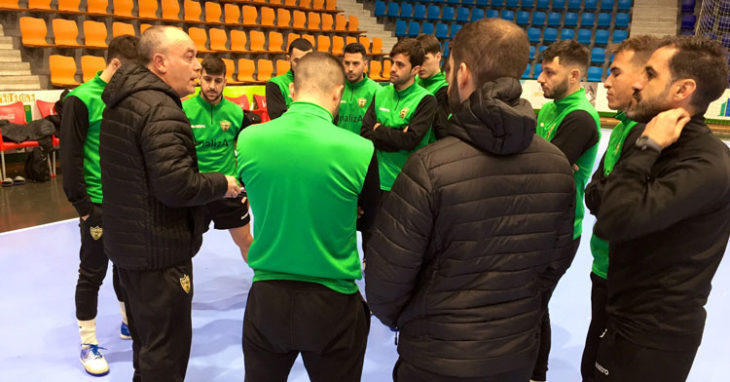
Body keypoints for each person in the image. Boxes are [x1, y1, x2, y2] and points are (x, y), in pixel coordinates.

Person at [364, 19, 576, 382]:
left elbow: (384, 285)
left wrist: (418, 322)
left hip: (436, 357)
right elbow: (554, 263)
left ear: (461, 74)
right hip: (514, 353)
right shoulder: (557, 164)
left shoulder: (429, 168)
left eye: (448, 71)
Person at [98, 26, 241, 382]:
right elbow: (176, 186)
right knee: (165, 353)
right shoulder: (160, 109)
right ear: (160, 62)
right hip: (158, 252)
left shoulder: (124, 101)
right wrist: (222, 183)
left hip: (130, 247)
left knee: (146, 345)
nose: (196, 68)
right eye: (189, 56)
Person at [591, 36, 730, 382]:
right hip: (622, 314)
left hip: (654, 337)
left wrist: (646, 147)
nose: (637, 82)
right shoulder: (651, 137)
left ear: (683, 89)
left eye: (650, 74)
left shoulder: (706, 164)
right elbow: (600, 197)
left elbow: (613, 220)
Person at [237, 52, 380, 382]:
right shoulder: (361, 149)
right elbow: (368, 218)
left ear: (291, 91)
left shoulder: (249, 139)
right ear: (338, 94)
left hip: (266, 299)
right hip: (332, 304)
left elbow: (255, 192)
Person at [581, 35, 660, 382]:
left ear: (644, 78)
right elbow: (593, 193)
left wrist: (603, 194)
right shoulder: (622, 127)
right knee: (592, 362)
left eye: (615, 72)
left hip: (626, 277)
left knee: (602, 368)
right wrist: (602, 194)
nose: (606, 82)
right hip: (605, 265)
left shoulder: (645, 133)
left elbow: (615, 206)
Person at [60, 35, 138, 377]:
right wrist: (82, 205)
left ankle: (127, 322)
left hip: (127, 203)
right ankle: (88, 343)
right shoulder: (81, 100)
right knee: (93, 272)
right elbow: (70, 157)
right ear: (117, 65)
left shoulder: (124, 98)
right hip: (97, 204)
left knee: (127, 268)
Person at [532, 39, 602, 382]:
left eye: (548, 72)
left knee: (533, 303)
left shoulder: (581, 118)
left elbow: (539, 170)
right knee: (525, 302)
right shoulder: (549, 110)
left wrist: (537, 161)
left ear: (574, 75)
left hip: (559, 230)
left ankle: (537, 374)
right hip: (536, 222)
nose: (539, 78)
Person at [182, 55, 253, 261]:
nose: (212, 86)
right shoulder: (184, 111)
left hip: (229, 189)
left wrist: (246, 187)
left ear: (225, 82)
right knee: (184, 247)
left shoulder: (236, 113)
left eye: (217, 80)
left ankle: (263, 284)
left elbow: (247, 153)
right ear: (199, 79)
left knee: (246, 241)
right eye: (207, 79)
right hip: (197, 189)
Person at [360, 38, 437, 192]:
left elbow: (410, 141)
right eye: (392, 63)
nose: (393, 68)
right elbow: (365, 133)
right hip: (374, 180)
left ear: (415, 70)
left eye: (400, 64)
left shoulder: (426, 100)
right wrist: (396, 136)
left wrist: (379, 130)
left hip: (404, 183)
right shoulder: (381, 92)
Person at [336, 42, 381, 135]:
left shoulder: (377, 91)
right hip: (338, 146)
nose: (350, 68)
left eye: (356, 63)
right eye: (347, 63)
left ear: (365, 64)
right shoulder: (335, 87)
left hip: (364, 146)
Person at [265, 38, 313, 119]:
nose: (302, 65)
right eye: (297, 61)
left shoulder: (320, 84)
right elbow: (279, 119)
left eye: (307, 60)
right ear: (288, 59)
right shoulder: (275, 84)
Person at [415, 34, 450, 139]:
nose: (420, 65)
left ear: (438, 57)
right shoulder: (413, 80)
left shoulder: (445, 88)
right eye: (417, 59)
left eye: (425, 59)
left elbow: (442, 131)